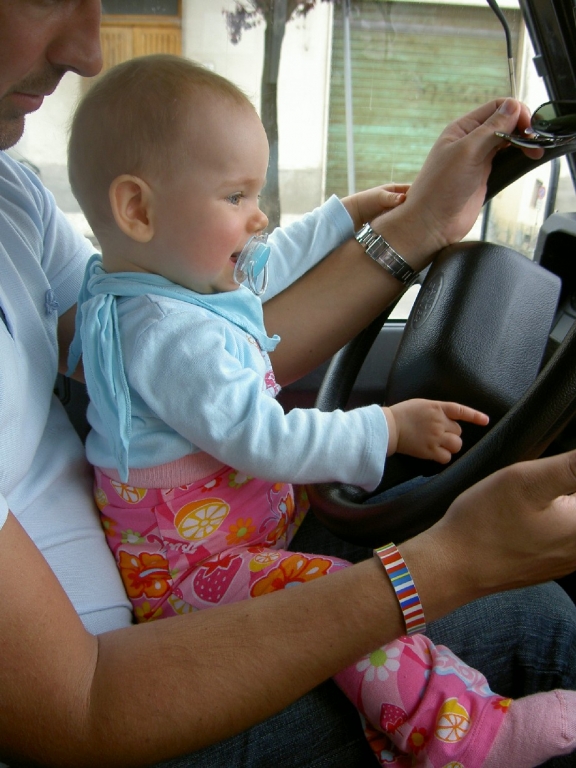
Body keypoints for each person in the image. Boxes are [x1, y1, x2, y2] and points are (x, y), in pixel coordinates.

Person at [2, 2, 576, 766]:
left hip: (225, 532)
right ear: (136, 207)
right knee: (472, 609)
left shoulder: (137, 266)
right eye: (236, 197)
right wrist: (386, 430)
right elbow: (263, 436)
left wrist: (368, 218)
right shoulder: (167, 337)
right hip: (161, 612)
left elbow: (266, 263)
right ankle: (471, 735)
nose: (89, 46)